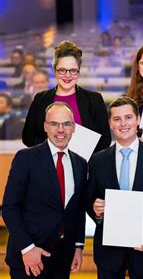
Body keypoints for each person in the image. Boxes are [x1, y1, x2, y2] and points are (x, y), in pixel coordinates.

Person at [86, 96, 143, 279]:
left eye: (128, 117)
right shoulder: (97, 161)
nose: (123, 123)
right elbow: (89, 199)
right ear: (110, 123)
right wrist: (96, 209)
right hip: (109, 253)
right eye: (117, 119)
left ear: (138, 119)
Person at [2, 102, 88, 278]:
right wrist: (28, 249)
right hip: (29, 258)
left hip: (63, 258)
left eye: (66, 124)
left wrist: (78, 246)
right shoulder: (26, 158)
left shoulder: (80, 164)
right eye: (54, 124)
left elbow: (77, 209)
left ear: (74, 128)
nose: (60, 130)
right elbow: (10, 208)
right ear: (45, 127)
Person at [22, 40, 111, 153]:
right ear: (54, 71)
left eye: (73, 70)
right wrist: (56, 148)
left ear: (78, 72)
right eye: (62, 70)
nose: (67, 76)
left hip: (85, 167)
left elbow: (105, 140)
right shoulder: (40, 99)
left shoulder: (94, 99)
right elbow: (28, 137)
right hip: (48, 165)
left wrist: (83, 155)